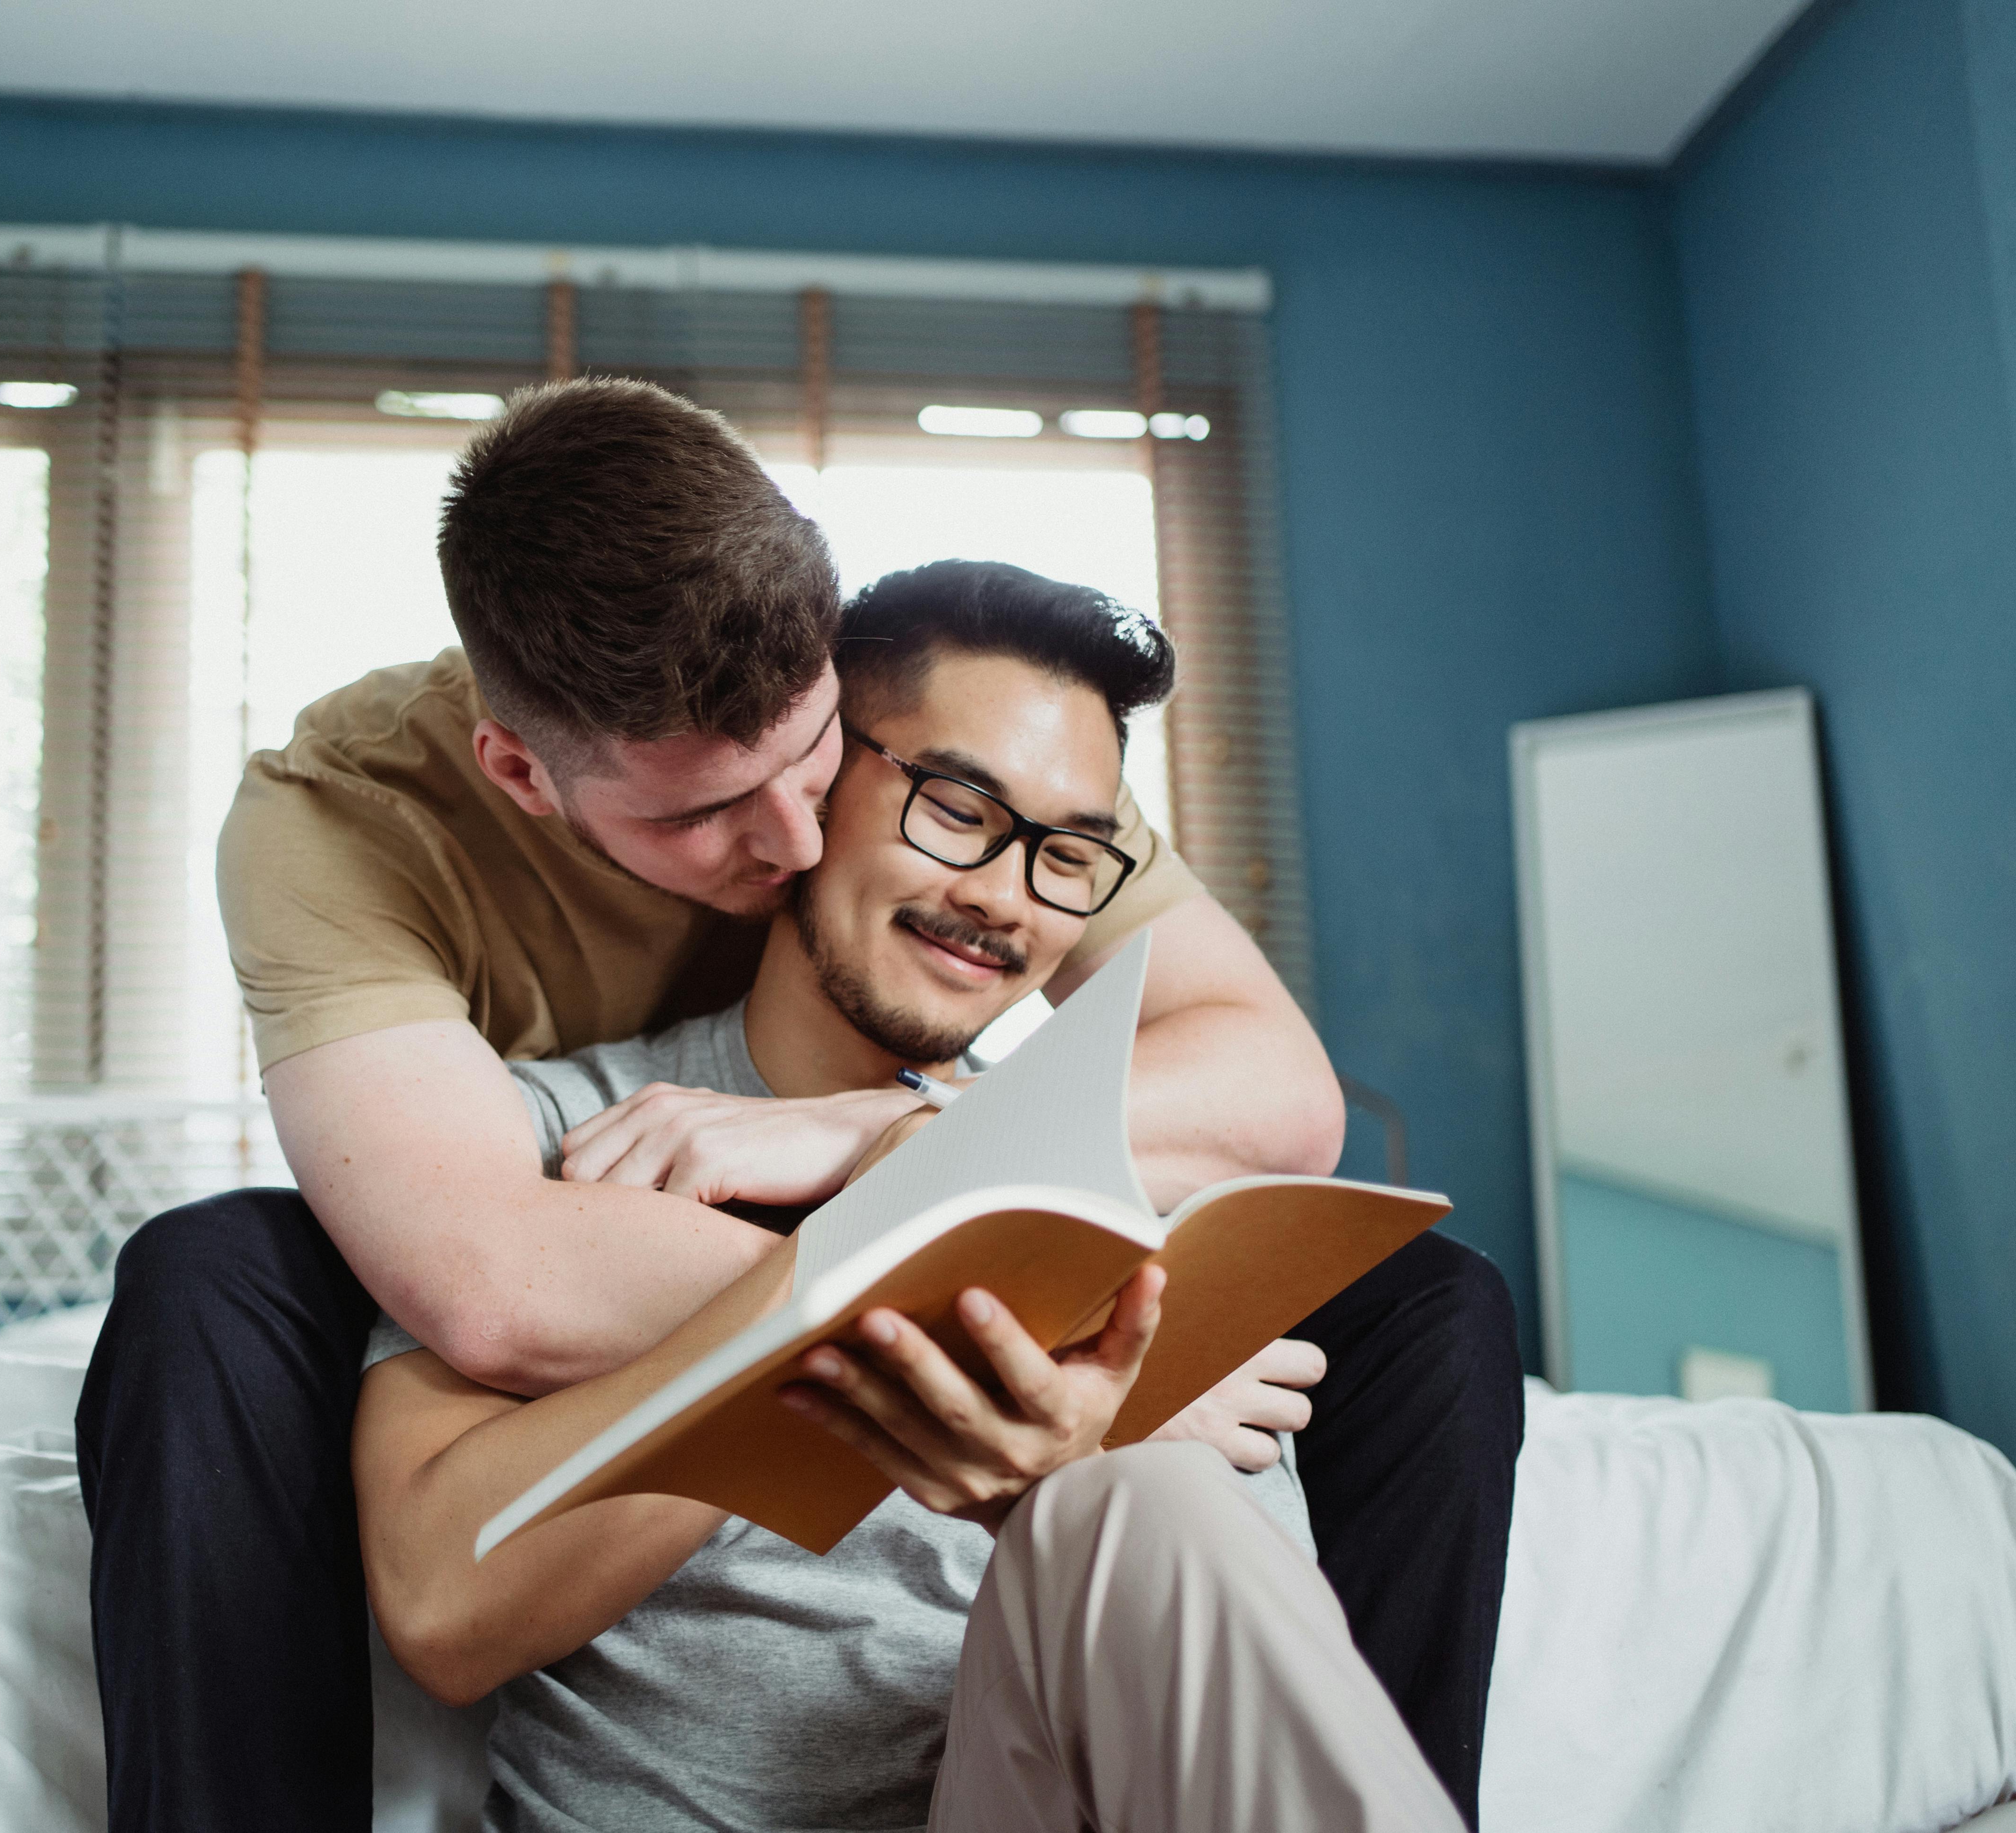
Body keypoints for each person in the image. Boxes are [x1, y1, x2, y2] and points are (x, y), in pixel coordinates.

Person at [75, 383, 1521, 1832]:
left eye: (812, 759)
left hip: (1005, 1750)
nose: (786, 837)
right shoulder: (362, 848)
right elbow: (487, 1291)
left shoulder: (968, 796)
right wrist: (1006, 1317)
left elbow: (1278, 1090)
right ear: (522, 772)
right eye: (702, 812)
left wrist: (916, 1180)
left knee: (1357, 1350)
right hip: (591, 1209)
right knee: (214, 1274)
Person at [355, 561, 1458, 1831]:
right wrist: (874, 1247)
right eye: (956, 808)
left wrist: (939, 1191)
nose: (1002, 897)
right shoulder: (553, 1140)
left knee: (1143, 1503)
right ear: (815, 788)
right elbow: (442, 1608)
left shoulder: (1126, 1170)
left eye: (1071, 856)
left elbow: (1232, 1683)